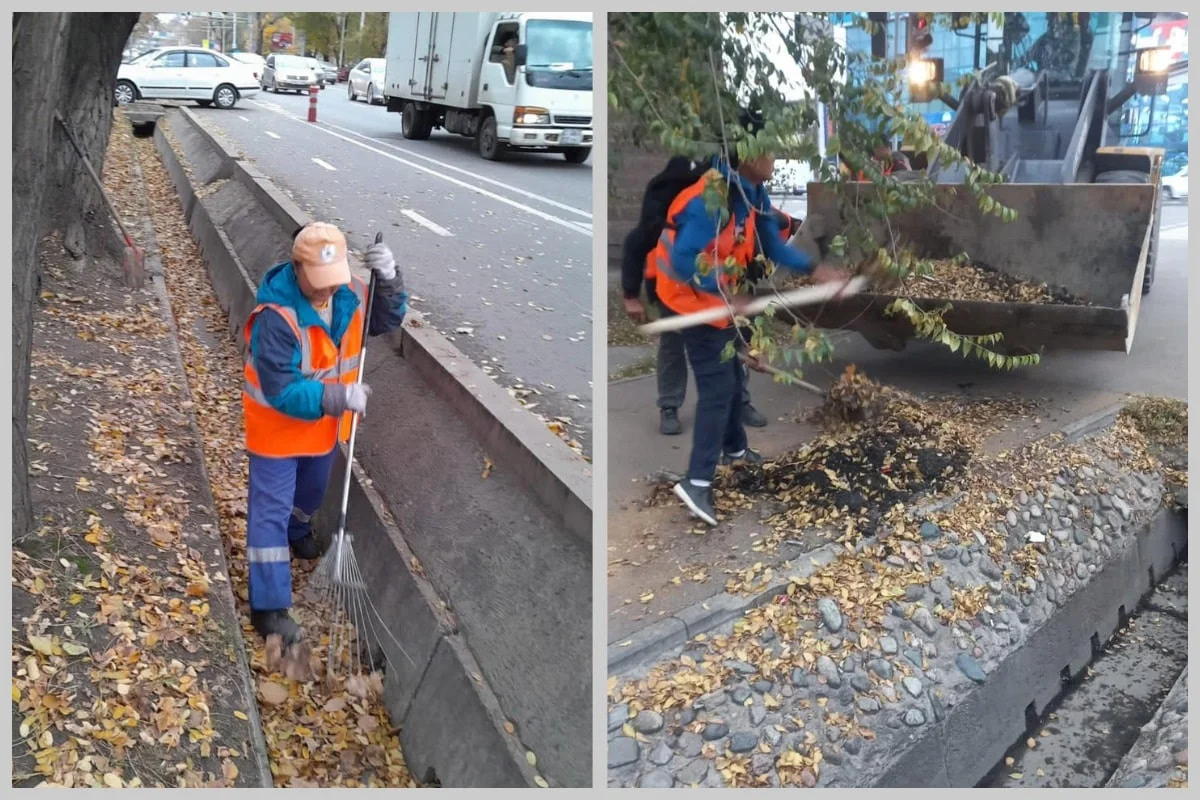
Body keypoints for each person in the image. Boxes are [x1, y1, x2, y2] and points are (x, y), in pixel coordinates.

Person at [654, 134, 849, 527]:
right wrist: (723, 290)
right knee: (718, 389)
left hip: (718, 300)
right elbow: (681, 261)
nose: (775, 157)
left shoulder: (752, 194)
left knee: (731, 371)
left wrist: (816, 270)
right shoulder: (711, 201)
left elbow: (772, 248)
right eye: (770, 150)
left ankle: (735, 450)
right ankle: (697, 482)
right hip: (688, 300)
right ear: (750, 155)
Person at [241, 223, 409, 645]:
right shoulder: (275, 319)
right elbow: (280, 390)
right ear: (297, 267)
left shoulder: (347, 292)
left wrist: (389, 280)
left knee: (310, 497)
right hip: (277, 435)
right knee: (269, 515)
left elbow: (384, 319)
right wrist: (339, 396)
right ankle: (269, 607)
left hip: (321, 433)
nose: (324, 294)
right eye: (316, 284)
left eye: (331, 285)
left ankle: (299, 532)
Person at [620, 157, 774, 436]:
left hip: (724, 285)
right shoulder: (687, 198)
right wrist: (631, 294)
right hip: (676, 286)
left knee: (737, 338)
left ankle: (741, 402)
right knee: (674, 343)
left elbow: (761, 237)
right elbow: (636, 242)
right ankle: (669, 405)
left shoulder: (746, 198)